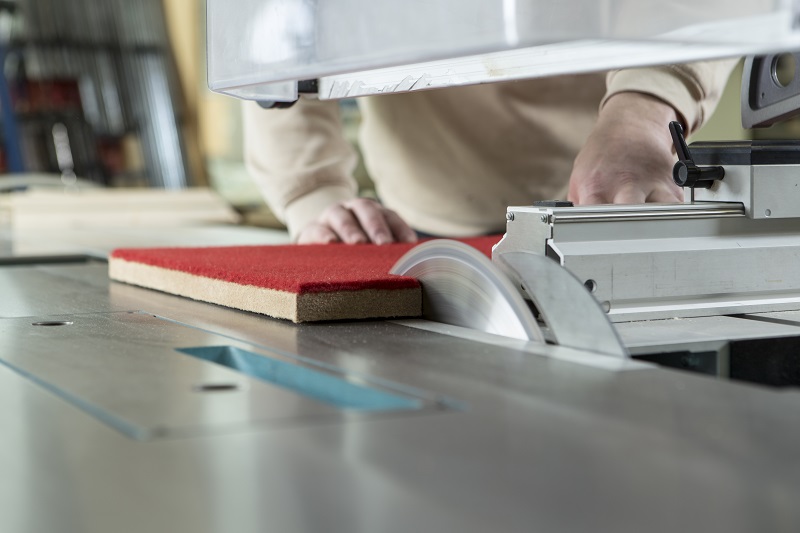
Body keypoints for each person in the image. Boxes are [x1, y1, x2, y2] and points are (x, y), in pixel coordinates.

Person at [243, 61, 735, 244]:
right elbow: (274, 41)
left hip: (608, 200)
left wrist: (643, 110)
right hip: (418, 226)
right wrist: (314, 195)